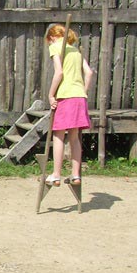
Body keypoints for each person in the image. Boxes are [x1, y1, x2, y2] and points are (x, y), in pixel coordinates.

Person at [45, 23, 94, 187]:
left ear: (52, 37)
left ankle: (56, 175)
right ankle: (75, 175)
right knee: (74, 136)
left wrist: (51, 95)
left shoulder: (55, 47)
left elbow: (59, 72)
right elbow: (89, 73)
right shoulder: (75, 50)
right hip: (79, 96)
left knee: (58, 135)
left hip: (65, 95)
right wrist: (82, 91)